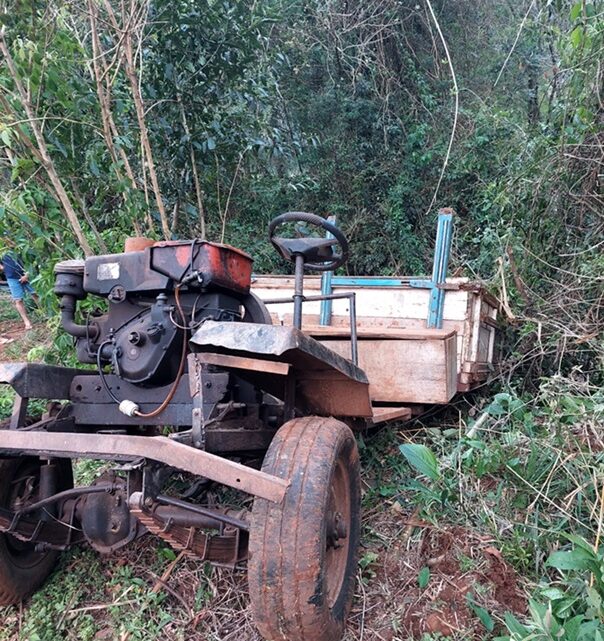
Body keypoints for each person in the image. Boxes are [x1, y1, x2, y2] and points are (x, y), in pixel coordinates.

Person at [0, 249, 39, 331]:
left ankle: (45, 314)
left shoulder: (20, 248)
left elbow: (32, 261)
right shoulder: (2, 251)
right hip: (11, 278)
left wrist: (27, 275)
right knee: (18, 300)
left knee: (35, 294)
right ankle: (26, 322)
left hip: (27, 274)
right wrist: (4, 269)